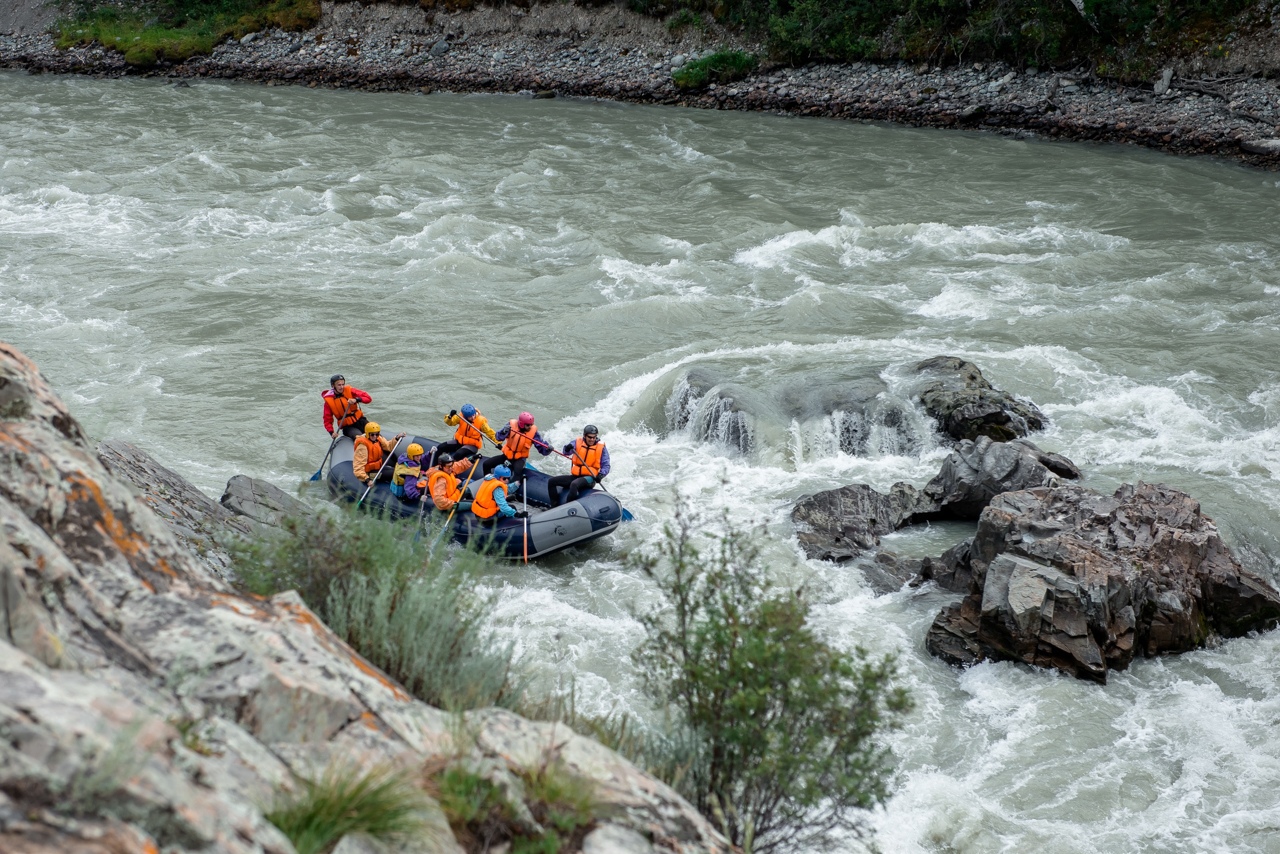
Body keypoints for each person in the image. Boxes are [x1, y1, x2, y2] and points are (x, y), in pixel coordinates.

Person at [548, 425, 611, 508]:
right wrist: (567, 448)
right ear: (584, 436)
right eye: (590, 437)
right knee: (551, 481)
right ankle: (554, 506)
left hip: (590, 478)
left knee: (574, 484)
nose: (592, 439)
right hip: (576, 476)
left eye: (594, 437)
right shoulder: (577, 442)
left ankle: (567, 508)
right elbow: (566, 452)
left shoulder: (601, 448)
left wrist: (601, 475)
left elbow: (606, 465)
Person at [482, 411, 552, 484]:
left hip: (520, 459)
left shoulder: (533, 433)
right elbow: (498, 437)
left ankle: (510, 490)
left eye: (531, 425)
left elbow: (541, 446)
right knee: (486, 464)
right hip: (507, 456)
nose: (530, 427)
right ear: (522, 424)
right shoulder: (510, 426)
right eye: (528, 425)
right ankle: (488, 483)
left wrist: (547, 449)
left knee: (517, 473)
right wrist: (503, 431)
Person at [406, 452, 476, 512]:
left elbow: (458, 465)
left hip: (454, 493)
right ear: (441, 466)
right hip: (450, 502)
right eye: (449, 466)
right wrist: (453, 505)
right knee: (473, 504)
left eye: (451, 465)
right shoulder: (440, 480)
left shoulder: (445, 468)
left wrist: (471, 459)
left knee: (469, 482)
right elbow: (439, 501)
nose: (451, 468)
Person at [322, 374, 372, 439]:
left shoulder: (350, 390)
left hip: (360, 421)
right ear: (333, 386)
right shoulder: (329, 401)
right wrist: (331, 432)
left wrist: (356, 400)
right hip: (348, 427)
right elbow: (327, 420)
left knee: (375, 433)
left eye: (343, 384)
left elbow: (368, 398)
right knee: (360, 438)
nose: (342, 387)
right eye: (339, 385)